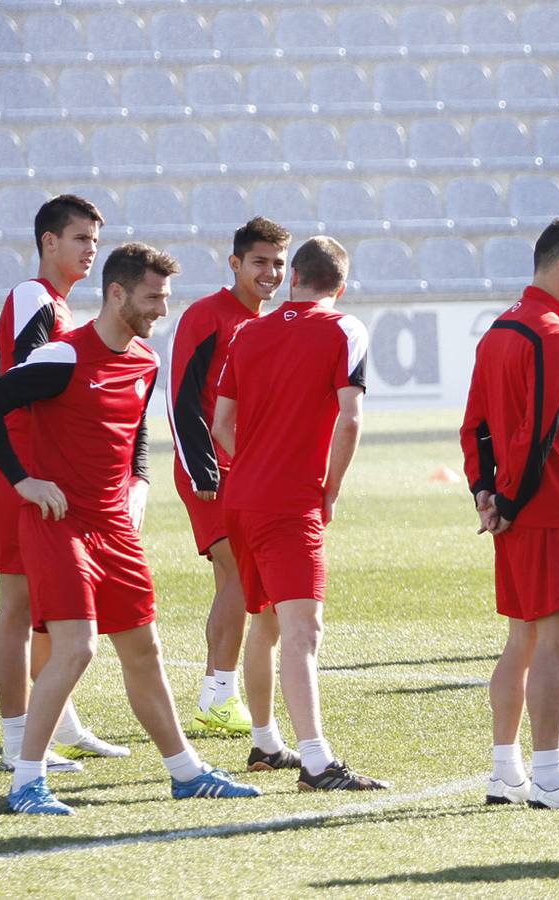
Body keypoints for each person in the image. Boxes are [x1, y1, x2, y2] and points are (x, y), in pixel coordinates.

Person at [0, 243, 261, 814]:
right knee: (75, 649)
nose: (161, 310)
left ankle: (185, 771)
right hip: (59, 526)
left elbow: (134, 439)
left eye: (167, 299)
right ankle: (27, 781)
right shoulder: (61, 356)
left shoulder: (145, 361)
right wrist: (24, 481)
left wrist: (139, 486)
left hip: (115, 530)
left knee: (145, 650)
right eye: (153, 298)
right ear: (117, 293)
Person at [212, 236, 388, 791]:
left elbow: (220, 425)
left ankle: (265, 742)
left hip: (240, 499)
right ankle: (316, 760)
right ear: (340, 285)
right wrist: (330, 488)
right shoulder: (345, 328)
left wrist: (256, 466)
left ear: (294, 279)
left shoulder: (248, 332)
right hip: (290, 505)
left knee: (263, 624)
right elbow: (351, 419)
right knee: (302, 630)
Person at [461, 216, 559, 810]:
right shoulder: (554, 335)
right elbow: (541, 431)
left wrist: (486, 492)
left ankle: (506, 773)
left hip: (514, 509)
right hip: (551, 505)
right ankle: (551, 779)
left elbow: (474, 426)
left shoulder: (499, 329)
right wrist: (508, 500)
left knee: (522, 639)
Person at [0, 194, 124, 773]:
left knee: (51, 606)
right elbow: (23, 382)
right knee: (18, 605)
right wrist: (26, 476)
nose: (91, 249)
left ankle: (59, 723)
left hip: (48, 475)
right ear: (48, 242)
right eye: (79, 239)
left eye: (95, 240)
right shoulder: (32, 296)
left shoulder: (62, 307)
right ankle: (16, 738)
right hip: (22, 473)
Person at [168, 217, 291, 739]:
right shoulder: (207, 315)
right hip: (210, 470)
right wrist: (203, 467)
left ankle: (220, 693)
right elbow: (179, 397)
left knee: (233, 581)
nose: (270, 272)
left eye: (279, 264)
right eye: (260, 262)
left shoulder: (272, 321)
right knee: (242, 575)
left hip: (250, 470)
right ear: (235, 263)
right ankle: (218, 694)